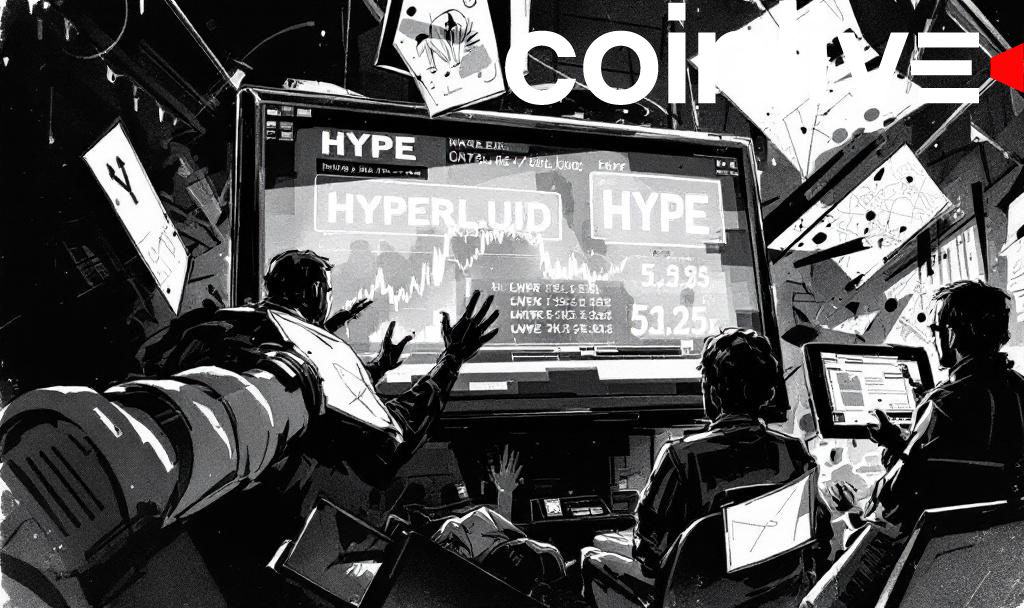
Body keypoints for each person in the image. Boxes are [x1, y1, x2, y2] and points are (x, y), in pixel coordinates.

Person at [0, 249, 501, 607]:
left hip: (114, 509)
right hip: (210, 560)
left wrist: (375, 370)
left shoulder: (214, 320)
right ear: (316, 294)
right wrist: (452, 358)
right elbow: (388, 448)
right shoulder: (324, 357)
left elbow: (159, 363)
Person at [808, 280, 1024, 608]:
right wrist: (900, 442)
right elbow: (959, 471)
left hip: (918, 570)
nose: (935, 338)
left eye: (936, 329)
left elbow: (892, 505)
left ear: (952, 334)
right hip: (980, 572)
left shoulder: (943, 404)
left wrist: (856, 505)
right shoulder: (1020, 392)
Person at [581, 328, 832, 608]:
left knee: (591, 556)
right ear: (769, 392)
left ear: (711, 392)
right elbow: (821, 535)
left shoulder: (680, 456)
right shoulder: (795, 452)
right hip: (777, 599)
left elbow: (649, 556)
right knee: (603, 540)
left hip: (694, 600)